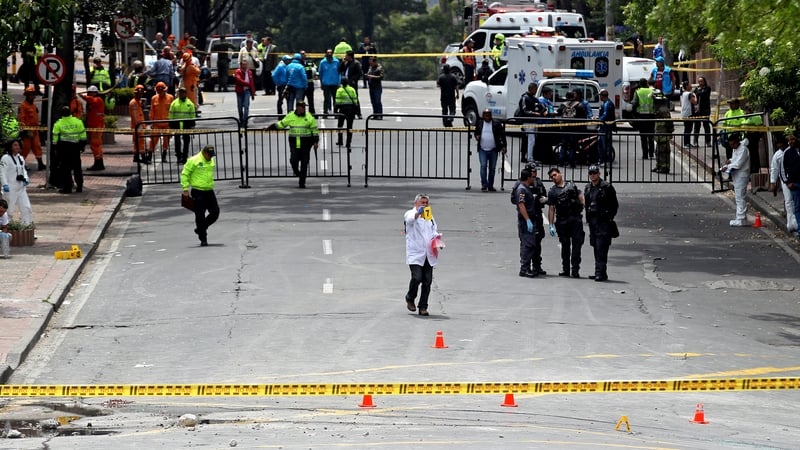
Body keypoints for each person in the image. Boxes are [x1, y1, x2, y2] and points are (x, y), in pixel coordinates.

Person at [403, 193, 440, 316]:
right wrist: (418, 213)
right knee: (417, 277)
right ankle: (410, 297)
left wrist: (438, 241)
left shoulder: (430, 216)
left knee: (427, 281)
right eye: (422, 203)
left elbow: (433, 230)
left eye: (426, 203)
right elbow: (410, 220)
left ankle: (423, 307)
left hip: (429, 253)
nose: (424, 205)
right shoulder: (410, 213)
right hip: (415, 253)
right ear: (416, 204)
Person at [270, 101, 319, 188]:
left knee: (304, 163)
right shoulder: (291, 115)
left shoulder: (309, 116)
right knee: (293, 160)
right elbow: (281, 124)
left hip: (306, 143)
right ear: (298, 107)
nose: (304, 109)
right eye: (302, 107)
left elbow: (314, 130)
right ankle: (297, 172)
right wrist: (269, 128)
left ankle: (302, 182)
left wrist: (315, 142)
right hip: (294, 142)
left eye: (304, 107)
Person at [547, 167, 585, 278]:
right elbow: (551, 208)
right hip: (562, 221)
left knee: (577, 246)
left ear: (560, 174)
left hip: (575, 219)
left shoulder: (571, 186)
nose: (553, 178)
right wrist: (551, 224)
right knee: (565, 246)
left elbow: (581, 197)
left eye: (555, 175)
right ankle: (566, 269)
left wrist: (583, 207)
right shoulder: (553, 191)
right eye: (551, 177)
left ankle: (575, 270)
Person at [584, 165, 619, 281]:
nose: (592, 175)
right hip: (593, 222)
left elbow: (614, 205)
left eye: (594, 173)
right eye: (591, 173)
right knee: (595, 246)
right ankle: (600, 272)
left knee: (601, 247)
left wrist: (608, 217)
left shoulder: (606, 187)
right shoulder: (588, 188)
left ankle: (600, 272)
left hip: (603, 222)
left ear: (599, 174)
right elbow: (587, 205)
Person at [181, 145, 219, 247]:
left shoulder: (211, 160)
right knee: (200, 215)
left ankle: (200, 229)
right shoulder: (193, 160)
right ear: (204, 153)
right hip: (198, 191)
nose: (210, 158)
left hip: (209, 190)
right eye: (209, 155)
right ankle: (203, 238)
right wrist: (185, 188)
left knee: (215, 212)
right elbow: (185, 174)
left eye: (212, 156)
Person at [51, 106, 87, 194]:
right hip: (75, 147)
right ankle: (79, 187)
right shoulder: (78, 122)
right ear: (70, 113)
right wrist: (82, 146)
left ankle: (67, 188)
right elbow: (83, 135)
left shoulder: (58, 123)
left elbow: (55, 136)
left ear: (62, 114)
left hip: (64, 148)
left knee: (65, 168)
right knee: (77, 167)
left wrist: (55, 147)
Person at [514, 167, 541, 278]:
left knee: (528, 244)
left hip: (528, 219)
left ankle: (526, 268)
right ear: (528, 177)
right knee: (528, 244)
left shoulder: (525, 188)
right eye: (532, 177)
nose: (533, 179)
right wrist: (528, 220)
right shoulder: (522, 189)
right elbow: (521, 205)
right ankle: (524, 269)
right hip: (526, 220)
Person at [769, 135, 798, 233]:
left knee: (795, 201)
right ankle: (791, 223)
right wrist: (773, 182)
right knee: (789, 201)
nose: (781, 147)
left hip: (795, 179)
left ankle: (795, 222)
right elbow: (775, 169)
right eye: (779, 146)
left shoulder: (793, 151)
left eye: (782, 145)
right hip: (785, 181)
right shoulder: (777, 155)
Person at [0, 139, 33, 225]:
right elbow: (2, 172)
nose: (17, 147)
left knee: (26, 208)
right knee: (9, 210)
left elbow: (23, 170)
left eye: (18, 145)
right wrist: (5, 184)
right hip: (10, 188)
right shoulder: (5, 158)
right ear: (10, 147)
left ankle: (27, 227)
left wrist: (26, 178)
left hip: (21, 188)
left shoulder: (20, 158)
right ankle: (5, 228)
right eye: (15, 145)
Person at [722, 133, 750, 226]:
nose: (732, 146)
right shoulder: (736, 149)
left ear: (737, 142)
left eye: (733, 144)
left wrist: (728, 166)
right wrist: (730, 161)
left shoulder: (743, 149)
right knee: (739, 196)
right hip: (737, 175)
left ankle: (741, 218)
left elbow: (738, 163)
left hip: (742, 175)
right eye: (731, 145)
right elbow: (735, 159)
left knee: (740, 196)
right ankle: (741, 217)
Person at [474, 109, 506, 192]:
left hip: (493, 149)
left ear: (491, 115)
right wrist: (477, 136)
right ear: (483, 116)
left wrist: (504, 146)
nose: (487, 117)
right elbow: (476, 132)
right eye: (485, 115)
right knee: (483, 166)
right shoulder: (480, 123)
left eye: (489, 115)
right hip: (482, 149)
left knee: (492, 168)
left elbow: (502, 135)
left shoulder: (496, 123)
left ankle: (490, 185)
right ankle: (484, 184)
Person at [17, 87, 45, 170]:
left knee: (37, 147)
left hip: (35, 131)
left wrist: (39, 126)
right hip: (27, 131)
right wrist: (24, 130)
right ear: (27, 95)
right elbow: (21, 118)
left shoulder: (34, 105)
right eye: (30, 95)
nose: (32, 96)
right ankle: (21, 165)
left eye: (33, 95)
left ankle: (40, 163)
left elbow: (36, 118)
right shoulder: (23, 106)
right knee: (25, 148)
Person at [517, 82, 544, 164]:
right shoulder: (525, 98)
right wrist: (534, 113)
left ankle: (529, 156)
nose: (536, 91)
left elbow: (541, 107)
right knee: (530, 140)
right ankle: (529, 158)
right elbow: (524, 110)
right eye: (535, 89)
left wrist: (542, 111)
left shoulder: (534, 98)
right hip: (527, 122)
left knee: (531, 140)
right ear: (531, 89)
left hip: (534, 121)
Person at [79, 85, 105, 171]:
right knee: (96, 145)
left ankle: (98, 163)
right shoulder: (94, 101)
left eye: (90, 93)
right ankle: (99, 162)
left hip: (96, 126)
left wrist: (82, 96)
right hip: (93, 126)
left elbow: (90, 100)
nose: (88, 94)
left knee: (95, 145)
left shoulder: (97, 100)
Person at [169, 86, 197, 164]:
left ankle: (184, 157)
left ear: (185, 93)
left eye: (183, 93)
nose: (181, 94)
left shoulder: (190, 103)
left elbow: (192, 115)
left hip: (186, 124)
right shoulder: (174, 103)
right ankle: (178, 157)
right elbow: (171, 114)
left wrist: (192, 125)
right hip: (176, 124)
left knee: (186, 141)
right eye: (180, 93)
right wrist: (171, 124)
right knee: (177, 142)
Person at [149, 82, 174, 162]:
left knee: (166, 141)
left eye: (161, 90)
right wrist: (152, 122)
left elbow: (172, 111)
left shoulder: (170, 97)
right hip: (156, 123)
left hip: (167, 124)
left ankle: (164, 156)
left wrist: (172, 124)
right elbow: (152, 111)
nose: (160, 92)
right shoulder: (154, 98)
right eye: (158, 91)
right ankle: (149, 156)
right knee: (153, 141)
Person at [781, 132, 800, 238]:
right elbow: (782, 170)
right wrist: (788, 182)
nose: (790, 142)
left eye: (792, 139)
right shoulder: (787, 152)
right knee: (797, 207)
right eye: (789, 140)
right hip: (795, 183)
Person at [631, 78, 655, 159]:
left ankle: (645, 155)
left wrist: (634, 115)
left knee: (643, 137)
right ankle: (651, 153)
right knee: (651, 136)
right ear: (647, 84)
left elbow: (634, 103)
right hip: (651, 116)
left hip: (641, 117)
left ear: (640, 84)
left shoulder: (638, 92)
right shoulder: (652, 91)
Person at [652, 90, 673, 174]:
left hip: (664, 133)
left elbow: (668, 122)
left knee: (664, 151)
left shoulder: (663, 108)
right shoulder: (657, 108)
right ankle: (659, 165)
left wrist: (669, 131)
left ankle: (665, 167)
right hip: (659, 133)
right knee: (658, 151)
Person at [334, 78, 359, 148]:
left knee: (340, 126)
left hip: (342, 110)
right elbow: (356, 100)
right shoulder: (352, 89)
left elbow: (337, 102)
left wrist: (335, 111)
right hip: (351, 110)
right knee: (350, 127)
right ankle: (348, 143)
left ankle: (340, 141)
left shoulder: (339, 90)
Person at [129, 85, 149, 164]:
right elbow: (135, 117)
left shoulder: (138, 102)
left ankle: (136, 157)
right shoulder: (133, 103)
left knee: (137, 142)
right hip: (137, 126)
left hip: (139, 125)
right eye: (139, 94)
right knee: (141, 142)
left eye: (141, 94)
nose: (140, 95)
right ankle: (143, 157)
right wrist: (140, 125)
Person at [318, 49, 340, 115]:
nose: (329, 54)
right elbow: (320, 73)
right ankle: (325, 112)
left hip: (335, 83)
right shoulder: (322, 62)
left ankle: (336, 112)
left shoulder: (336, 61)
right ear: (326, 54)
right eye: (328, 52)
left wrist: (339, 82)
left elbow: (339, 72)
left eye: (330, 52)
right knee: (326, 99)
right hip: (326, 83)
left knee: (335, 99)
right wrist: (321, 83)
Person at [597, 89, 616, 164]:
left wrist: (599, 120)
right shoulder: (606, 103)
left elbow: (605, 115)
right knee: (601, 144)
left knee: (605, 144)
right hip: (604, 127)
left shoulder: (607, 104)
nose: (599, 97)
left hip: (606, 127)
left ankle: (607, 160)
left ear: (602, 96)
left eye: (600, 96)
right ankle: (602, 159)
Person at [692, 76, 712, 147]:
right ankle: (695, 141)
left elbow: (703, 94)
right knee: (697, 126)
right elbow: (693, 95)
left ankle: (708, 141)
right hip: (697, 110)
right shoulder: (697, 89)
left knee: (706, 126)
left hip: (705, 110)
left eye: (701, 81)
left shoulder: (707, 88)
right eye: (699, 81)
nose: (700, 83)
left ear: (704, 81)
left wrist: (698, 92)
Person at [679, 80, 696, 148]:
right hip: (689, 113)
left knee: (687, 128)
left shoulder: (683, 93)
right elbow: (694, 102)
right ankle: (686, 143)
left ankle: (687, 143)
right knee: (688, 129)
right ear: (687, 86)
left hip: (684, 112)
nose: (691, 86)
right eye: (690, 85)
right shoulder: (689, 94)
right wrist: (695, 95)